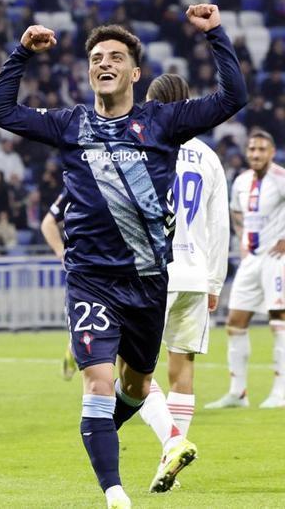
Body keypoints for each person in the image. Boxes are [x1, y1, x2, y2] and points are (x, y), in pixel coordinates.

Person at [0, 4, 247, 509]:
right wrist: (20, 54)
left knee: (136, 384)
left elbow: (233, 96)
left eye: (115, 57)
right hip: (91, 281)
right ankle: (115, 494)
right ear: (89, 70)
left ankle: (101, 431)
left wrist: (215, 33)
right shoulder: (69, 124)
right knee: (99, 380)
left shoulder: (164, 122)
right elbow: (0, 111)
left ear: (135, 71)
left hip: (150, 282)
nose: (104, 64)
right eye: (96, 58)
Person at [134, 74, 228, 492]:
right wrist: (215, 283)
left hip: (154, 272)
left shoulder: (144, 145)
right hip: (195, 273)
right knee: (181, 369)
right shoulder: (208, 157)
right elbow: (218, 225)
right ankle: (168, 459)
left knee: (127, 375)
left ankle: (172, 440)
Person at [206, 129, 285, 410]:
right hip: (250, 259)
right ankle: (238, 393)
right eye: (252, 149)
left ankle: (281, 390)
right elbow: (236, 212)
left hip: (276, 260)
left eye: (262, 149)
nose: (256, 154)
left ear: (272, 152)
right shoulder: (240, 181)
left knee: (280, 320)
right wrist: (241, 235)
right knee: (235, 323)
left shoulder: (280, 178)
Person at [39, 189, 78, 381]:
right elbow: (47, 223)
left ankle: (75, 346)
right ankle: (75, 346)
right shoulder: (77, 184)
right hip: (87, 274)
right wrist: (61, 253)